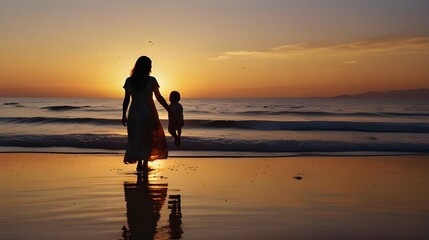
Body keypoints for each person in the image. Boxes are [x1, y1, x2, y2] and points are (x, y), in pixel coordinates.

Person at [122, 56, 169, 171]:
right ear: (147, 66)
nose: (151, 67)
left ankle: (139, 163)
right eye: (150, 65)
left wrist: (124, 114)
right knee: (148, 138)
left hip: (135, 113)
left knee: (137, 138)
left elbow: (126, 100)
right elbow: (159, 97)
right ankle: (144, 163)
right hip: (148, 113)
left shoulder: (129, 80)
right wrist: (168, 108)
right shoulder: (151, 80)